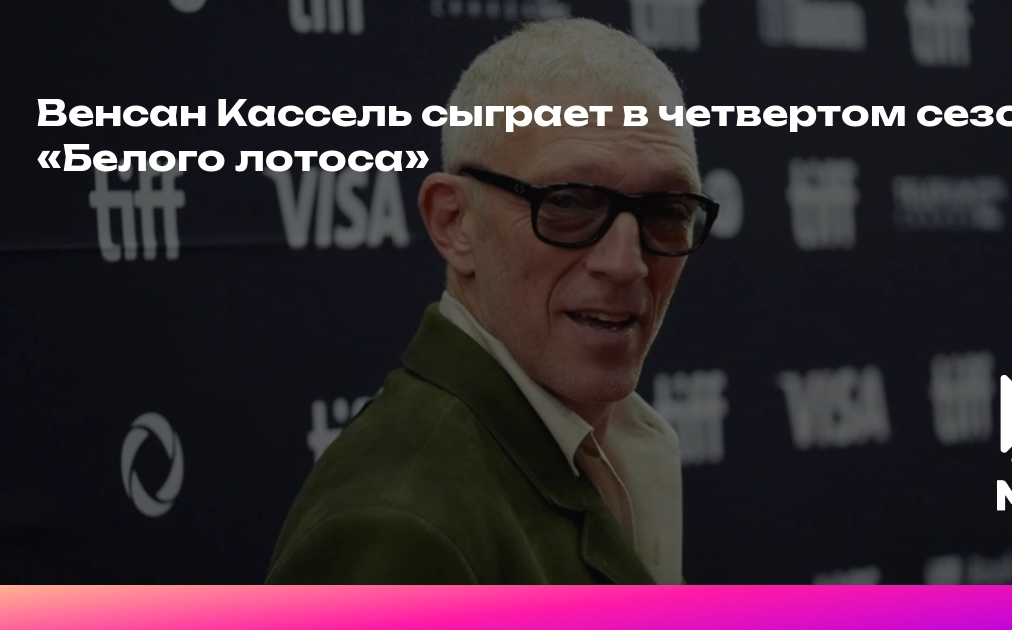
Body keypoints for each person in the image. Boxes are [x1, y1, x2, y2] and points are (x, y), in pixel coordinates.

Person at [265, 17, 718, 585]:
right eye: (568, 202)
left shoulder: (611, 443)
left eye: (669, 211)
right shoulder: (396, 526)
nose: (627, 263)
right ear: (454, 222)